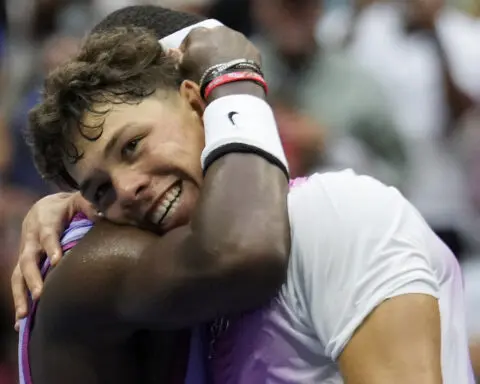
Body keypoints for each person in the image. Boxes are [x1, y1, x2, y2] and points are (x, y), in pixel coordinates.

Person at [13, 5, 473, 384]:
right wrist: (235, 79)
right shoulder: (104, 256)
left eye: (133, 145)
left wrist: (229, 82)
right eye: (100, 189)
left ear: (197, 102)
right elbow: (237, 249)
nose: (126, 189)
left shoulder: (334, 210)